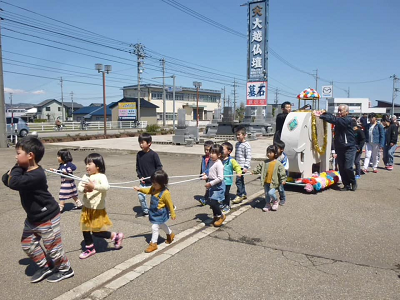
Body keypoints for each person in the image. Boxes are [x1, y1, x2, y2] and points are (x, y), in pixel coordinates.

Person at [2, 136, 74, 283]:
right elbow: (5, 179)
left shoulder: (36, 175)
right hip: (33, 217)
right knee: (28, 244)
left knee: (53, 247)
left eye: (18, 153)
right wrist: (17, 169)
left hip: (47, 216)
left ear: (30, 155)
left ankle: (66, 269)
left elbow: (12, 181)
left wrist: (16, 167)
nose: (16, 156)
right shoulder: (24, 171)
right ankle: (46, 266)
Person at [78, 153, 124, 259]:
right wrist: (85, 189)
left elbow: (106, 187)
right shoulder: (85, 176)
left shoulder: (101, 176)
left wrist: (93, 186)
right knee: (85, 229)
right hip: (87, 207)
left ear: (97, 166)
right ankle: (90, 248)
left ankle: (115, 236)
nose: (87, 166)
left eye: (89, 164)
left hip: (97, 209)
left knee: (96, 232)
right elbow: (79, 188)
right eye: (86, 164)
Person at [314, 105, 357, 191]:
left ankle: (353, 181)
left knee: (348, 167)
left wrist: (322, 116)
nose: (339, 112)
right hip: (340, 147)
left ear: (347, 112)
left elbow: (334, 120)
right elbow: (333, 117)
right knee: (341, 167)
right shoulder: (339, 119)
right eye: (338, 110)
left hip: (349, 147)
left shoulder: (348, 120)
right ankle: (346, 185)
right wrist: (325, 113)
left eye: (341, 111)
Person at [134, 170, 176, 253]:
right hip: (154, 212)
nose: (153, 185)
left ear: (162, 183)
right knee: (161, 224)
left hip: (160, 213)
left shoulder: (165, 193)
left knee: (154, 227)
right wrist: (140, 189)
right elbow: (148, 191)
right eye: (152, 183)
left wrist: (173, 213)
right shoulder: (153, 188)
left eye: (155, 184)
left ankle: (153, 244)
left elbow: (170, 204)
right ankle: (170, 234)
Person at [252, 145, 287, 212]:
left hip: (273, 182)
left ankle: (275, 201)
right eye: (267, 152)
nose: (268, 154)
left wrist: (283, 179)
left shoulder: (278, 164)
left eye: (270, 152)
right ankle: (268, 204)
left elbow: (282, 172)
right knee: (266, 194)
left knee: (271, 193)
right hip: (266, 182)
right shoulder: (264, 162)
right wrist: (254, 171)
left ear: (275, 153)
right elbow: (259, 168)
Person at [136, 133, 163, 217]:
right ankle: (145, 211)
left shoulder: (154, 155)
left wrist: (154, 176)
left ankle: (167, 208)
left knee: (157, 197)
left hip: (153, 182)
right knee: (141, 196)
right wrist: (140, 176)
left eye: (142, 143)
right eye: (139, 142)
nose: (140, 144)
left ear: (149, 143)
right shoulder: (139, 154)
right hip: (143, 182)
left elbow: (159, 166)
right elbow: (137, 167)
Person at [201, 144, 226, 227]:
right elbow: (211, 173)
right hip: (212, 183)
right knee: (211, 202)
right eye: (210, 152)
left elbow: (220, 178)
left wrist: (210, 183)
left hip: (218, 186)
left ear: (219, 155)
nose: (211, 154)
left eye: (213, 153)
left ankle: (221, 215)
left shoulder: (219, 164)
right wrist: (206, 176)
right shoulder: (211, 162)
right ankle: (216, 216)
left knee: (214, 202)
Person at [232, 126, 252, 204]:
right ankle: (243, 193)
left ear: (244, 135)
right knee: (241, 181)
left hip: (242, 166)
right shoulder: (237, 144)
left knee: (238, 181)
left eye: (239, 134)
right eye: (236, 135)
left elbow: (248, 156)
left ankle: (239, 195)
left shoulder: (246, 145)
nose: (237, 136)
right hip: (237, 165)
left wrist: (246, 166)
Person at [221, 142, 242, 213]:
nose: (221, 150)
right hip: (220, 180)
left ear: (229, 151)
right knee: (221, 193)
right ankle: (223, 203)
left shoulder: (231, 160)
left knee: (226, 193)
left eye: (223, 149)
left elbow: (237, 167)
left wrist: (239, 172)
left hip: (227, 181)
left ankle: (227, 205)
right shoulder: (220, 159)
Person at [198, 140, 214, 206]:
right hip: (205, 175)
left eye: (208, 150)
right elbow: (203, 166)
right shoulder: (204, 157)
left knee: (209, 187)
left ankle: (205, 199)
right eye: (205, 150)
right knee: (209, 187)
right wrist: (201, 173)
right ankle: (208, 198)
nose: (206, 151)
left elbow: (211, 167)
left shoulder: (213, 158)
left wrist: (206, 173)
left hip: (211, 174)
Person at [274, 140, 289, 206]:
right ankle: (273, 198)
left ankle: (282, 198)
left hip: (282, 175)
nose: (275, 149)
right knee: (272, 187)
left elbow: (285, 168)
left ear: (282, 150)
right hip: (274, 174)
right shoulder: (274, 155)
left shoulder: (284, 158)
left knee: (280, 187)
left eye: (276, 148)